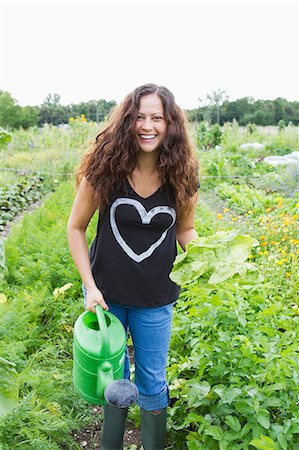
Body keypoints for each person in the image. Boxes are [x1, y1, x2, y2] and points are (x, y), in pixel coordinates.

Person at [67, 83, 199, 450]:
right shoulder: (105, 171)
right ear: (127, 122)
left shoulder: (181, 178)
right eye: (139, 117)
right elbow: (75, 228)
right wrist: (90, 287)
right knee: (115, 379)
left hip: (156, 298)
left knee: (153, 381)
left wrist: (210, 260)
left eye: (157, 117)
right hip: (106, 295)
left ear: (170, 124)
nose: (148, 125)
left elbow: (185, 230)